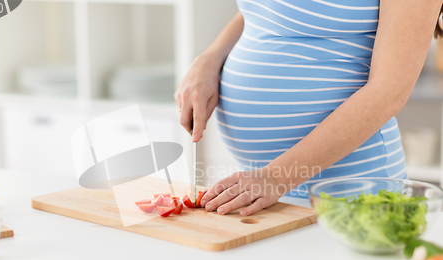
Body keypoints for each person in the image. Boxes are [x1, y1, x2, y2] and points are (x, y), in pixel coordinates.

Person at [175, 0, 443, 216]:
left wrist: (277, 178)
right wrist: (209, 58)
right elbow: (273, 10)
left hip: (350, 192)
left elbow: (389, 92)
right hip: (260, 186)